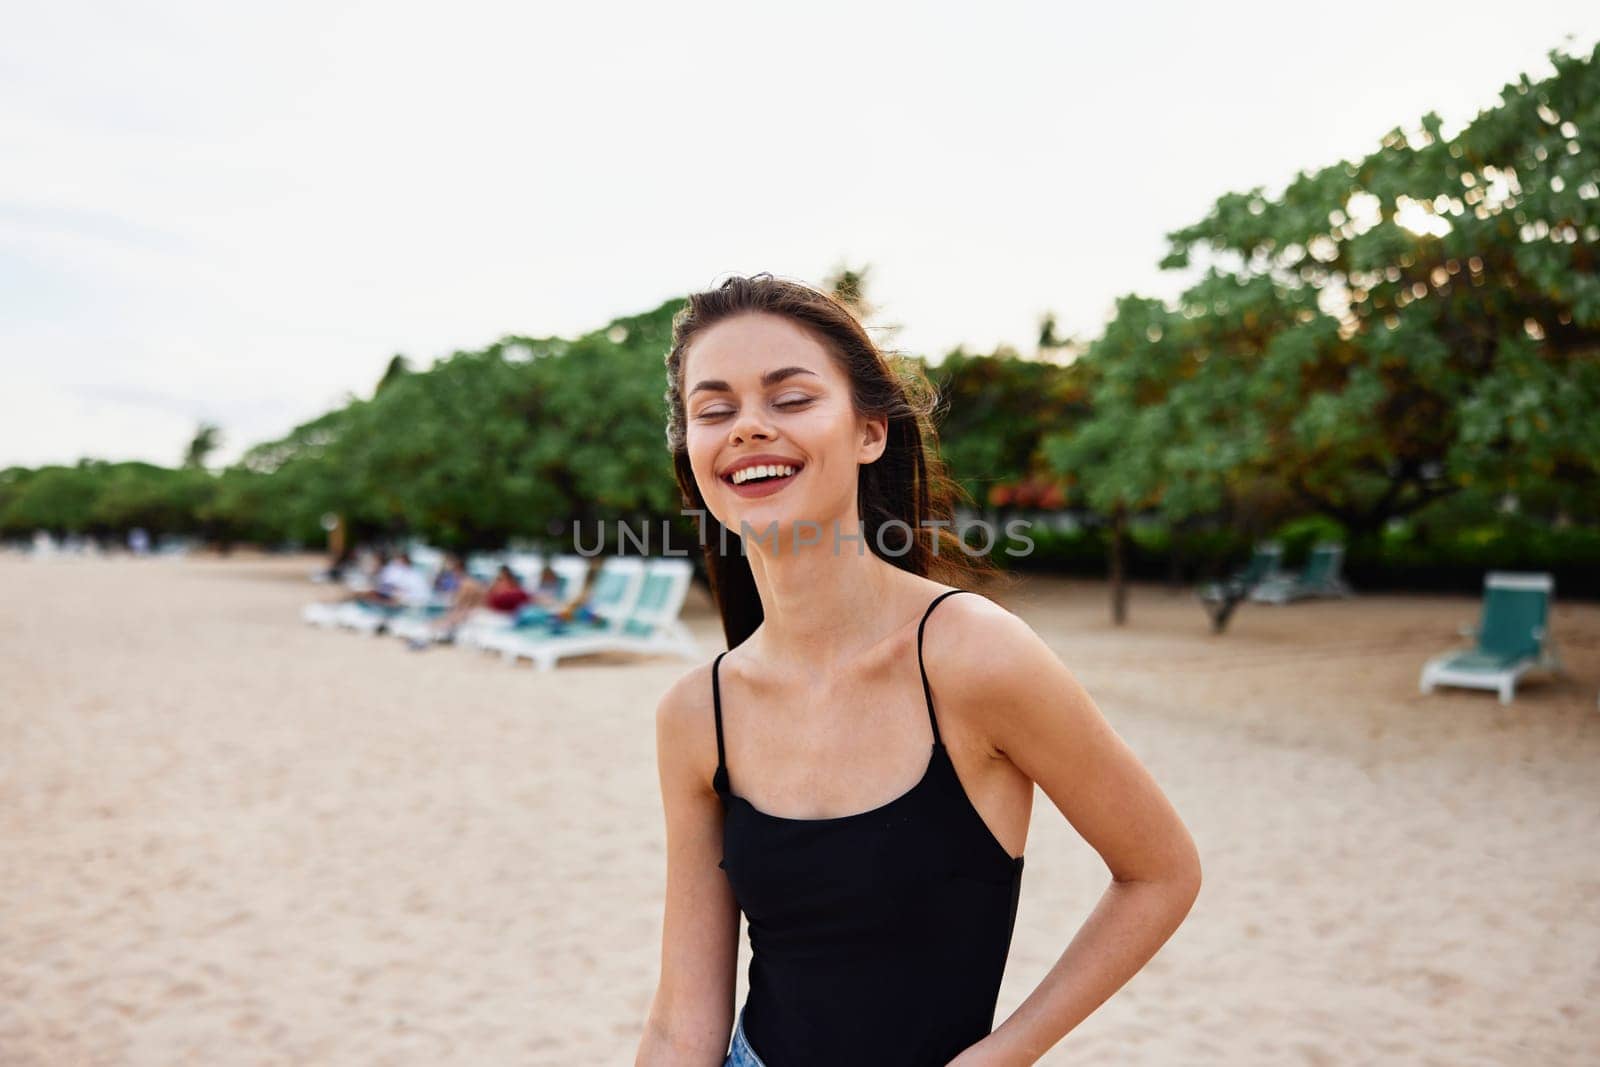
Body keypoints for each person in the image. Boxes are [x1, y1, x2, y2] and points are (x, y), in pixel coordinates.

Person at [635, 274, 1202, 1067]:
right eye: (715, 408)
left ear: (870, 432)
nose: (748, 428)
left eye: (790, 398)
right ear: (691, 449)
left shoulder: (972, 656)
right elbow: (680, 1022)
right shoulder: (698, 712)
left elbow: (1160, 871)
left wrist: (1002, 1055)